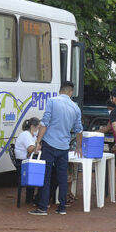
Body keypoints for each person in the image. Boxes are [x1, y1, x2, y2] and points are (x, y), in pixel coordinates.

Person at [30, 82, 83, 216]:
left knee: (46, 176)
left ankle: (43, 207)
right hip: (64, 146)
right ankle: (62, 207)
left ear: (61, 90)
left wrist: (38, 141)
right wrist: (78, 146)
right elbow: (79, 129)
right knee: (62, 177)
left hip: (49, 144)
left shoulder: (52, 101)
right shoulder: (75, 107)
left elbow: (45, 123)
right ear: (71, 92)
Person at [12, 117, 40, 204]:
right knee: (48, 173)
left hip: (27, 161)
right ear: (33, 126)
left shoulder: (33, 136)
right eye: (38, 128)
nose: (39, 130)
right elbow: (32, 149)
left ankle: (37, 198)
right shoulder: (26, 135)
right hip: (23, 163)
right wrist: (38, 145)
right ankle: (38, 199)